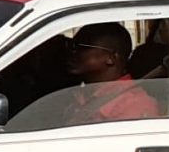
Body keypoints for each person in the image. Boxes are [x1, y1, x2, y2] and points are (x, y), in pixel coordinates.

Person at [29, 22, 160, 127]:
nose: (72, 52)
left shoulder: (134, 104)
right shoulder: (81, 95)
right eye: (71, 45)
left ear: (111, 58)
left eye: (82, 47)